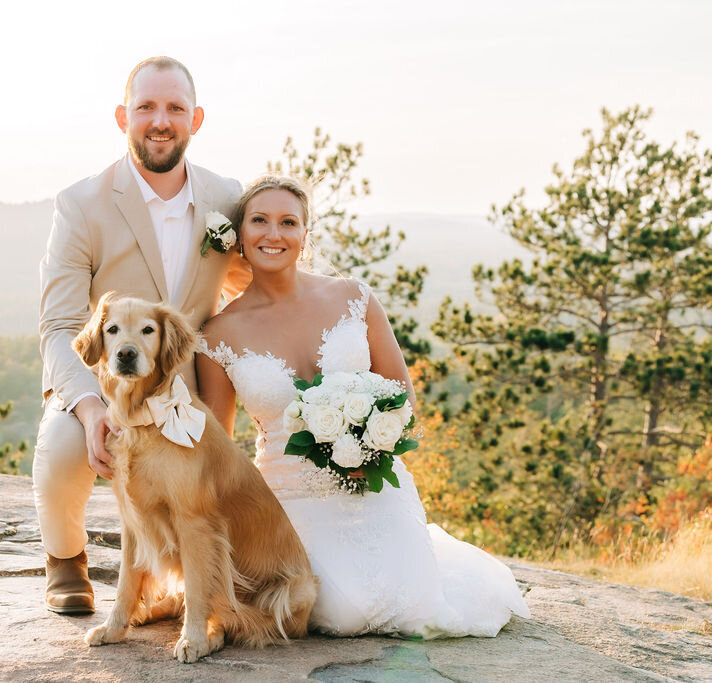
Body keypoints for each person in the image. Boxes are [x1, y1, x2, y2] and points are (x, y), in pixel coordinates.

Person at [196, 175, 530, 637]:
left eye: (288, 222)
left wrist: (371, 451)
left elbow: (401, 393)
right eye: (260, 221)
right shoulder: (217, 334)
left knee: (415, 603)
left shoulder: (352, 297)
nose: (274, 234)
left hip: (375, 486)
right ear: (241, 234)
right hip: (288, 500)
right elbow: (218, 445)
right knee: (342, 612)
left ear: (305, 235)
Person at [36, 57, 249, 615]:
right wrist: (87, 408)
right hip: (111, 383)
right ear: (122, 117)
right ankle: (65, 558)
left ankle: (194, 578)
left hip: (192, 389)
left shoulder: (228, 199)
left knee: (208, 494)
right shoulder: (81, 204)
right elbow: (58, 325)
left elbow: (259, 288)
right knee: (61, 449)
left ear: (196, 119)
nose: (161, 120)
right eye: (146, 107)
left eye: (175, 108)